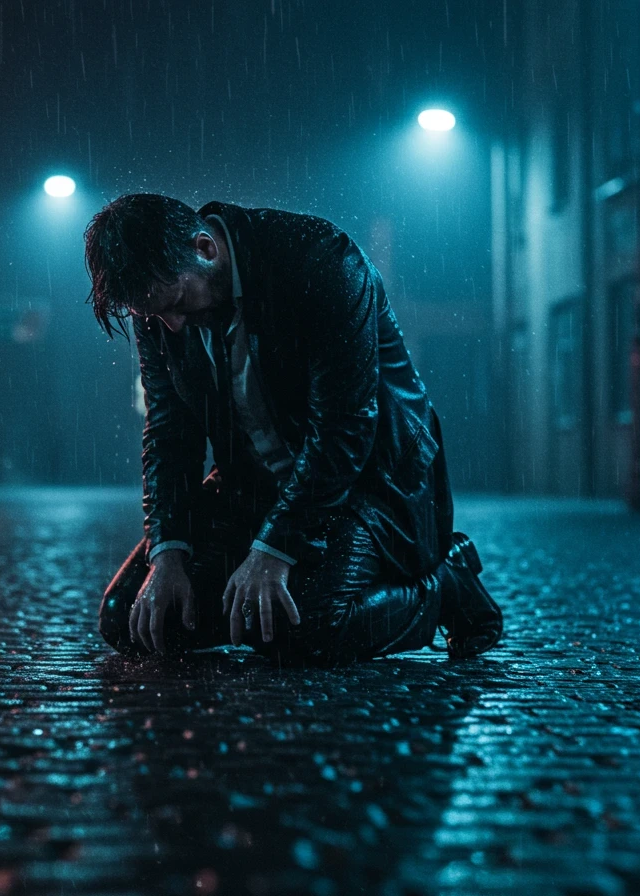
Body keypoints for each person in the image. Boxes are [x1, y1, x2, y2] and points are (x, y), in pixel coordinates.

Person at [84, 193, 502, 665]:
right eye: (152, 315)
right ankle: (274, 611)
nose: (172, 325)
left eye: (178, 302)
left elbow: (344, 429)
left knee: (307, 630)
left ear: (205, 248)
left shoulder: (321, 262)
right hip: (254, 485)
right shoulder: (162, 304)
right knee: (129, 618)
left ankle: (443, 586)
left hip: (370, 482)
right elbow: (167, 433)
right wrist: (168, 553)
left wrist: (275, 549)